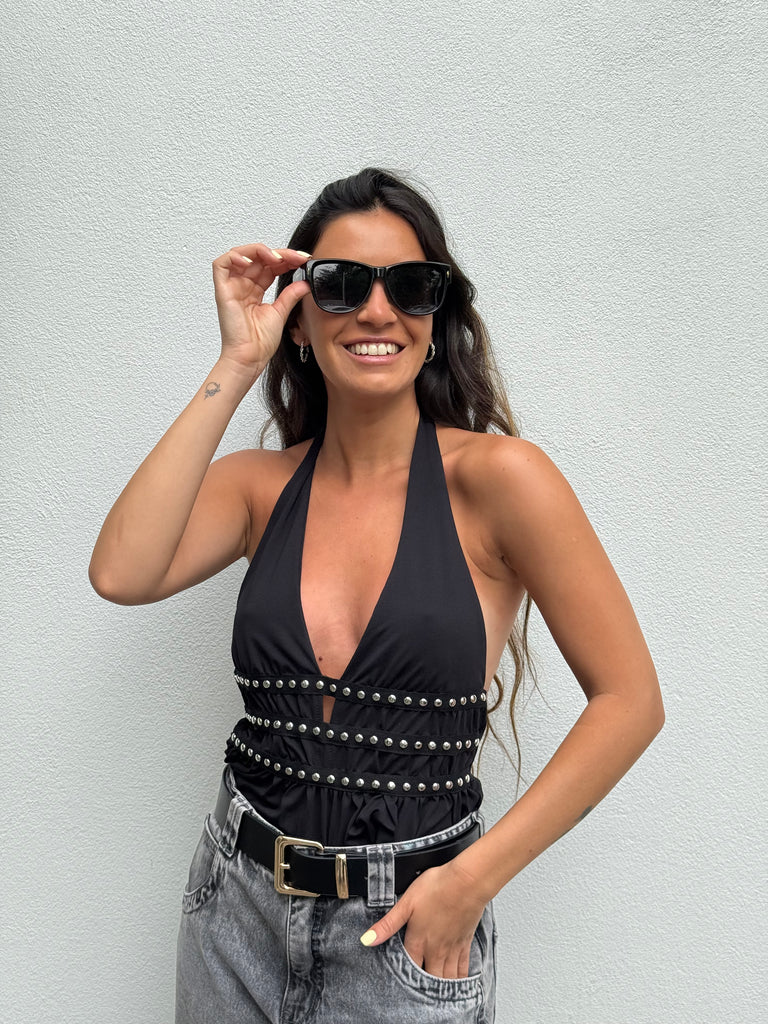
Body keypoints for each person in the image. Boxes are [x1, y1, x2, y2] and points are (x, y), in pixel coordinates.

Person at [89, 167, 664, 1024]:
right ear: (299, 317)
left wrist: (472, 881)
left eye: (411, 286)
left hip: (408, 935)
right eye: (342, 284)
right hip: (234, 910)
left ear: (437, 320)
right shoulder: (258, 488)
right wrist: (236, 360)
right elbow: (121, 572)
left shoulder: (502, 481)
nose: (377, 310)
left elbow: (631, 700)